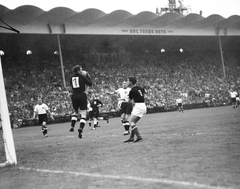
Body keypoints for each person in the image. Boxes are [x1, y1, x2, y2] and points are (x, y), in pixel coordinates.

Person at [69, 65, 92, 139]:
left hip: (74, 95)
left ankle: (72, 126)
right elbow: (90, 84)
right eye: (81, 70)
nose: (82, 71)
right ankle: (80, 128)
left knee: (75, 112)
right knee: (83, 114)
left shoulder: (71, 78)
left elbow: (71, 86)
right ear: (78, 70)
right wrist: (88, 76)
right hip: (82, 95)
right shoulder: (82, 76)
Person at [124, 77, 147, 143]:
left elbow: (131, 101)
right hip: (143, 105)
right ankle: (131, 137)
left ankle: (138, 136)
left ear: (131, 82)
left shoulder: (132, 90)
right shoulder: (140, 88)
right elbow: (144, 92)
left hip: (138, 106)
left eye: (128, 81)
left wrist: (125, 100)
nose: (127, 82)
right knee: (133, 123)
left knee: (130, 121)